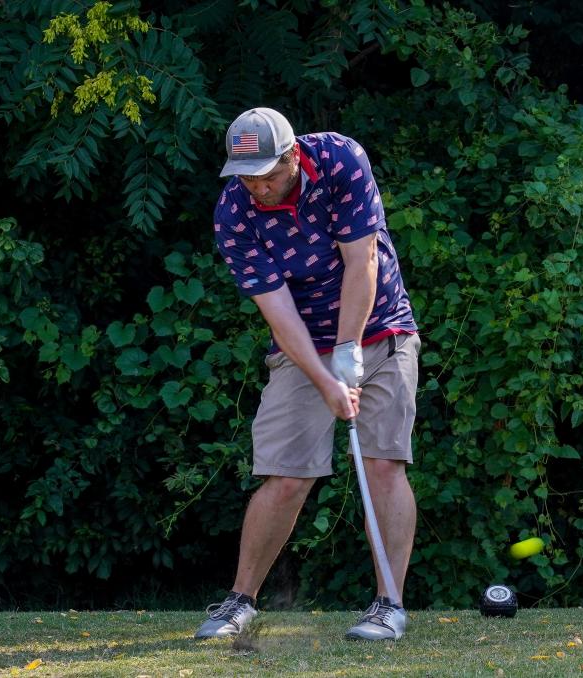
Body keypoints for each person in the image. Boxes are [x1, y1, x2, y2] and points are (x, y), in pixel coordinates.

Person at [194, 107, 420, 642]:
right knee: (287, 475)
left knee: (383, 465)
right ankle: (240, 601)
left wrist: (349, 351)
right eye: (247, 176)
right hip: (301, 345)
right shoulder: (234, 214)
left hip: (381, 326)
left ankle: (389, 605)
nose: (259, 187)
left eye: (268, 174)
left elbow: (361, 260)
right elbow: (277, 311)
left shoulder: (341, 160)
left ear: (293, 155)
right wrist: (325, 378)